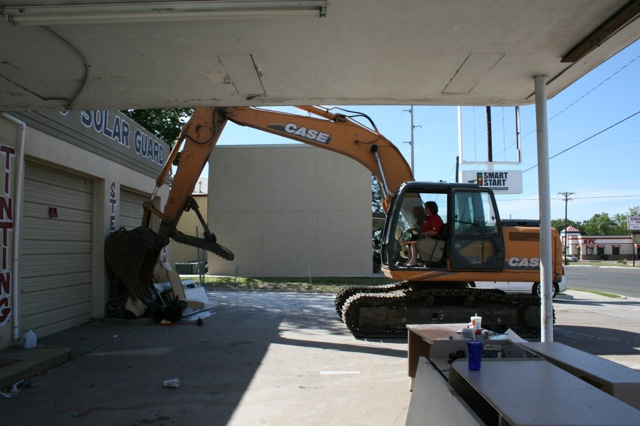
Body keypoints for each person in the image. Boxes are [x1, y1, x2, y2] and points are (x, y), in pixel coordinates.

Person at [405, 201, 443, 267]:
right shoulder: (428, 218)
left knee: (413, 242)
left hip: (433, 238)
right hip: (425, 236)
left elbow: (434, 232)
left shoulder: (435, 218)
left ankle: (414, 261)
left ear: (432, 209)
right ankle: (409, 260)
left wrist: (423, 233)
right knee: (409, 242)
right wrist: (415, 229)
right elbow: (423, 229)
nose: (424, 210)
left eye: (426, 208)